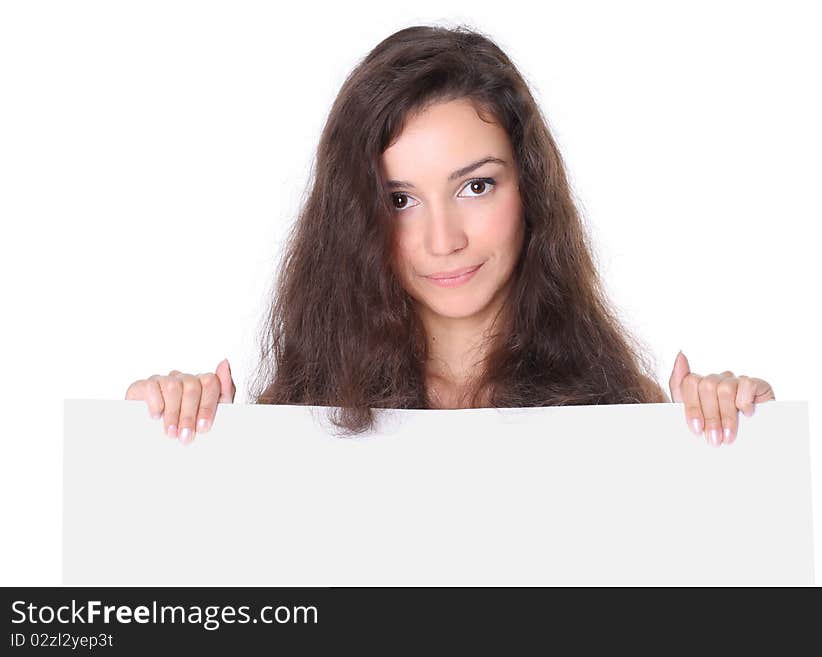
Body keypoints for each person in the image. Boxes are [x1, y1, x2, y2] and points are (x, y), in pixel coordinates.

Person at [125, 24, 775, 448]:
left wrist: (728, 433)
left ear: (531, 188)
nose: (444, 239)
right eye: (400, 199)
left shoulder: (619, 419)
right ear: (357, 219)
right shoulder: (297, 419)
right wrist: (172, 433)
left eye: (476, 186)